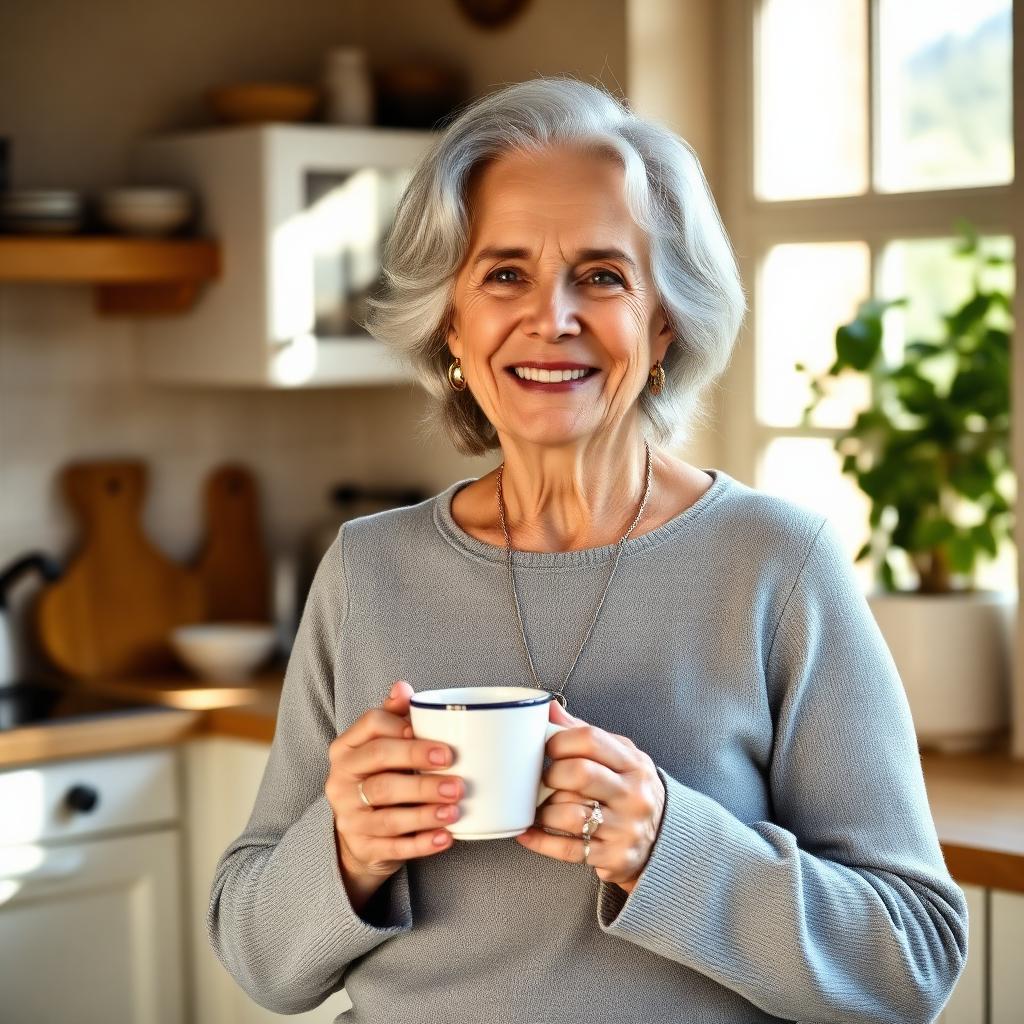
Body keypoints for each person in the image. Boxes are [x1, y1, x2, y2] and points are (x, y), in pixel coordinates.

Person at [207, 76, 968, 1023]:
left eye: (602, 276)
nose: (552, 317)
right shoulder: (369, 569)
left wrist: (671, 845)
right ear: (453, 322)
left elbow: (913, 961)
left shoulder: (777, 564)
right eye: (504, 274)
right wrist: (347, 851)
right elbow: (256, 955)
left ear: (662, 324)